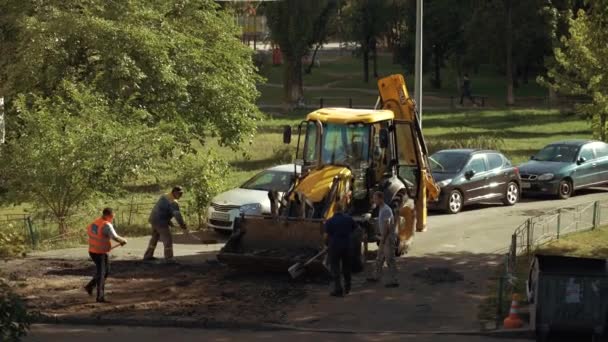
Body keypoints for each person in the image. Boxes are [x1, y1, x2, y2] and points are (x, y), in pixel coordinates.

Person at [84, 207, 127, 303]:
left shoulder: (96, 222)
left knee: (105, 271)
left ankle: (90, 286)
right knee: (102, 274)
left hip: (93, 251)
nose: (112, 218)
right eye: (112, 216)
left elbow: (90, 232)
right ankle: (100, 297)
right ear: (108, 215)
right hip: (100, 253)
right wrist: (123, 240)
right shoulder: (106, 225)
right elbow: (115, 237)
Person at [143, 186, 188, 263]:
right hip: (160, 221)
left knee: (155, 237)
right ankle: (169, 258)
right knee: (167, 239)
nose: (181, 195)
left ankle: (148, 255)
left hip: (153, 219)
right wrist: (183, 225)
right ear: (174, 192)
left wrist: (168, 221)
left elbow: (162, 209)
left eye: (182, 194)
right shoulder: (173, 202)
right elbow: (177, 215)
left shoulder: (165, 196)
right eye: (179, 193)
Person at [324, 202, 357, 297]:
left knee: (335, 268)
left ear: (334, 210)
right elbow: (356, 230)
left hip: (334, 247)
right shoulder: (349, 219)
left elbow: (326, 236)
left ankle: (338, 289)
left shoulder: (330, 221)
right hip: (347, 246)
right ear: (342, 209)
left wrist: (326, 244)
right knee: (346, 267)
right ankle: (348, 288)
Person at [367, 191, 399, 287]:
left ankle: (394, 280)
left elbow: (387, 226)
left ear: (381, 199)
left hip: (388, 238)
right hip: (383, 236)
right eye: (373, 198)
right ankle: (376, 276)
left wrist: (383, 240)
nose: (374, 200)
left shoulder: (386, 210)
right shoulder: (381, 209)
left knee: (390, 259)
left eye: (375, 198)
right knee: (379, 258)